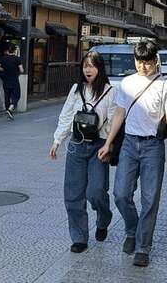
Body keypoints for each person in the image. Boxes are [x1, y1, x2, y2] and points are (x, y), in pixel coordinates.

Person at [98, 40, 167, 268]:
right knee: (121, 194)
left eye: (147, 62)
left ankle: (143, 247)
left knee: (150, 199)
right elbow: (119, 114)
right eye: (139, 62)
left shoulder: (166, 86)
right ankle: (131, 230)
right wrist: (108, 143)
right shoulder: (126, 83)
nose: (143, 66)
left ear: (156, 61)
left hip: (153, 147)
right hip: (128, 145)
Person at [50, 51, 117, 253]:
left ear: (100, 68)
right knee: (73, 194)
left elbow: (114, 121)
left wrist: (110, 145)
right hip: (76, 145)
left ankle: (104, 217)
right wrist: (57, 140)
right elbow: (67, 115)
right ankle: (79, 238)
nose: (88, 69)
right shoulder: (76, 89)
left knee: (96, 192)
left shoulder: (110, 91)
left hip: (99, 146)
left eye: (92, 65)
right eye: (85, 65)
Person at [0, 43, 24, 120]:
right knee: (16, 96)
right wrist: (17, 71)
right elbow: (21, 70)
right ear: (14, 51)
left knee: (7, 96)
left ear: (8, 51)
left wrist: (4, 69)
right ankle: (10, 109)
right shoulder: (17, 59)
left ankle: (9, 113)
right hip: (14, 81)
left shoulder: (3, 58)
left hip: (6, 80)